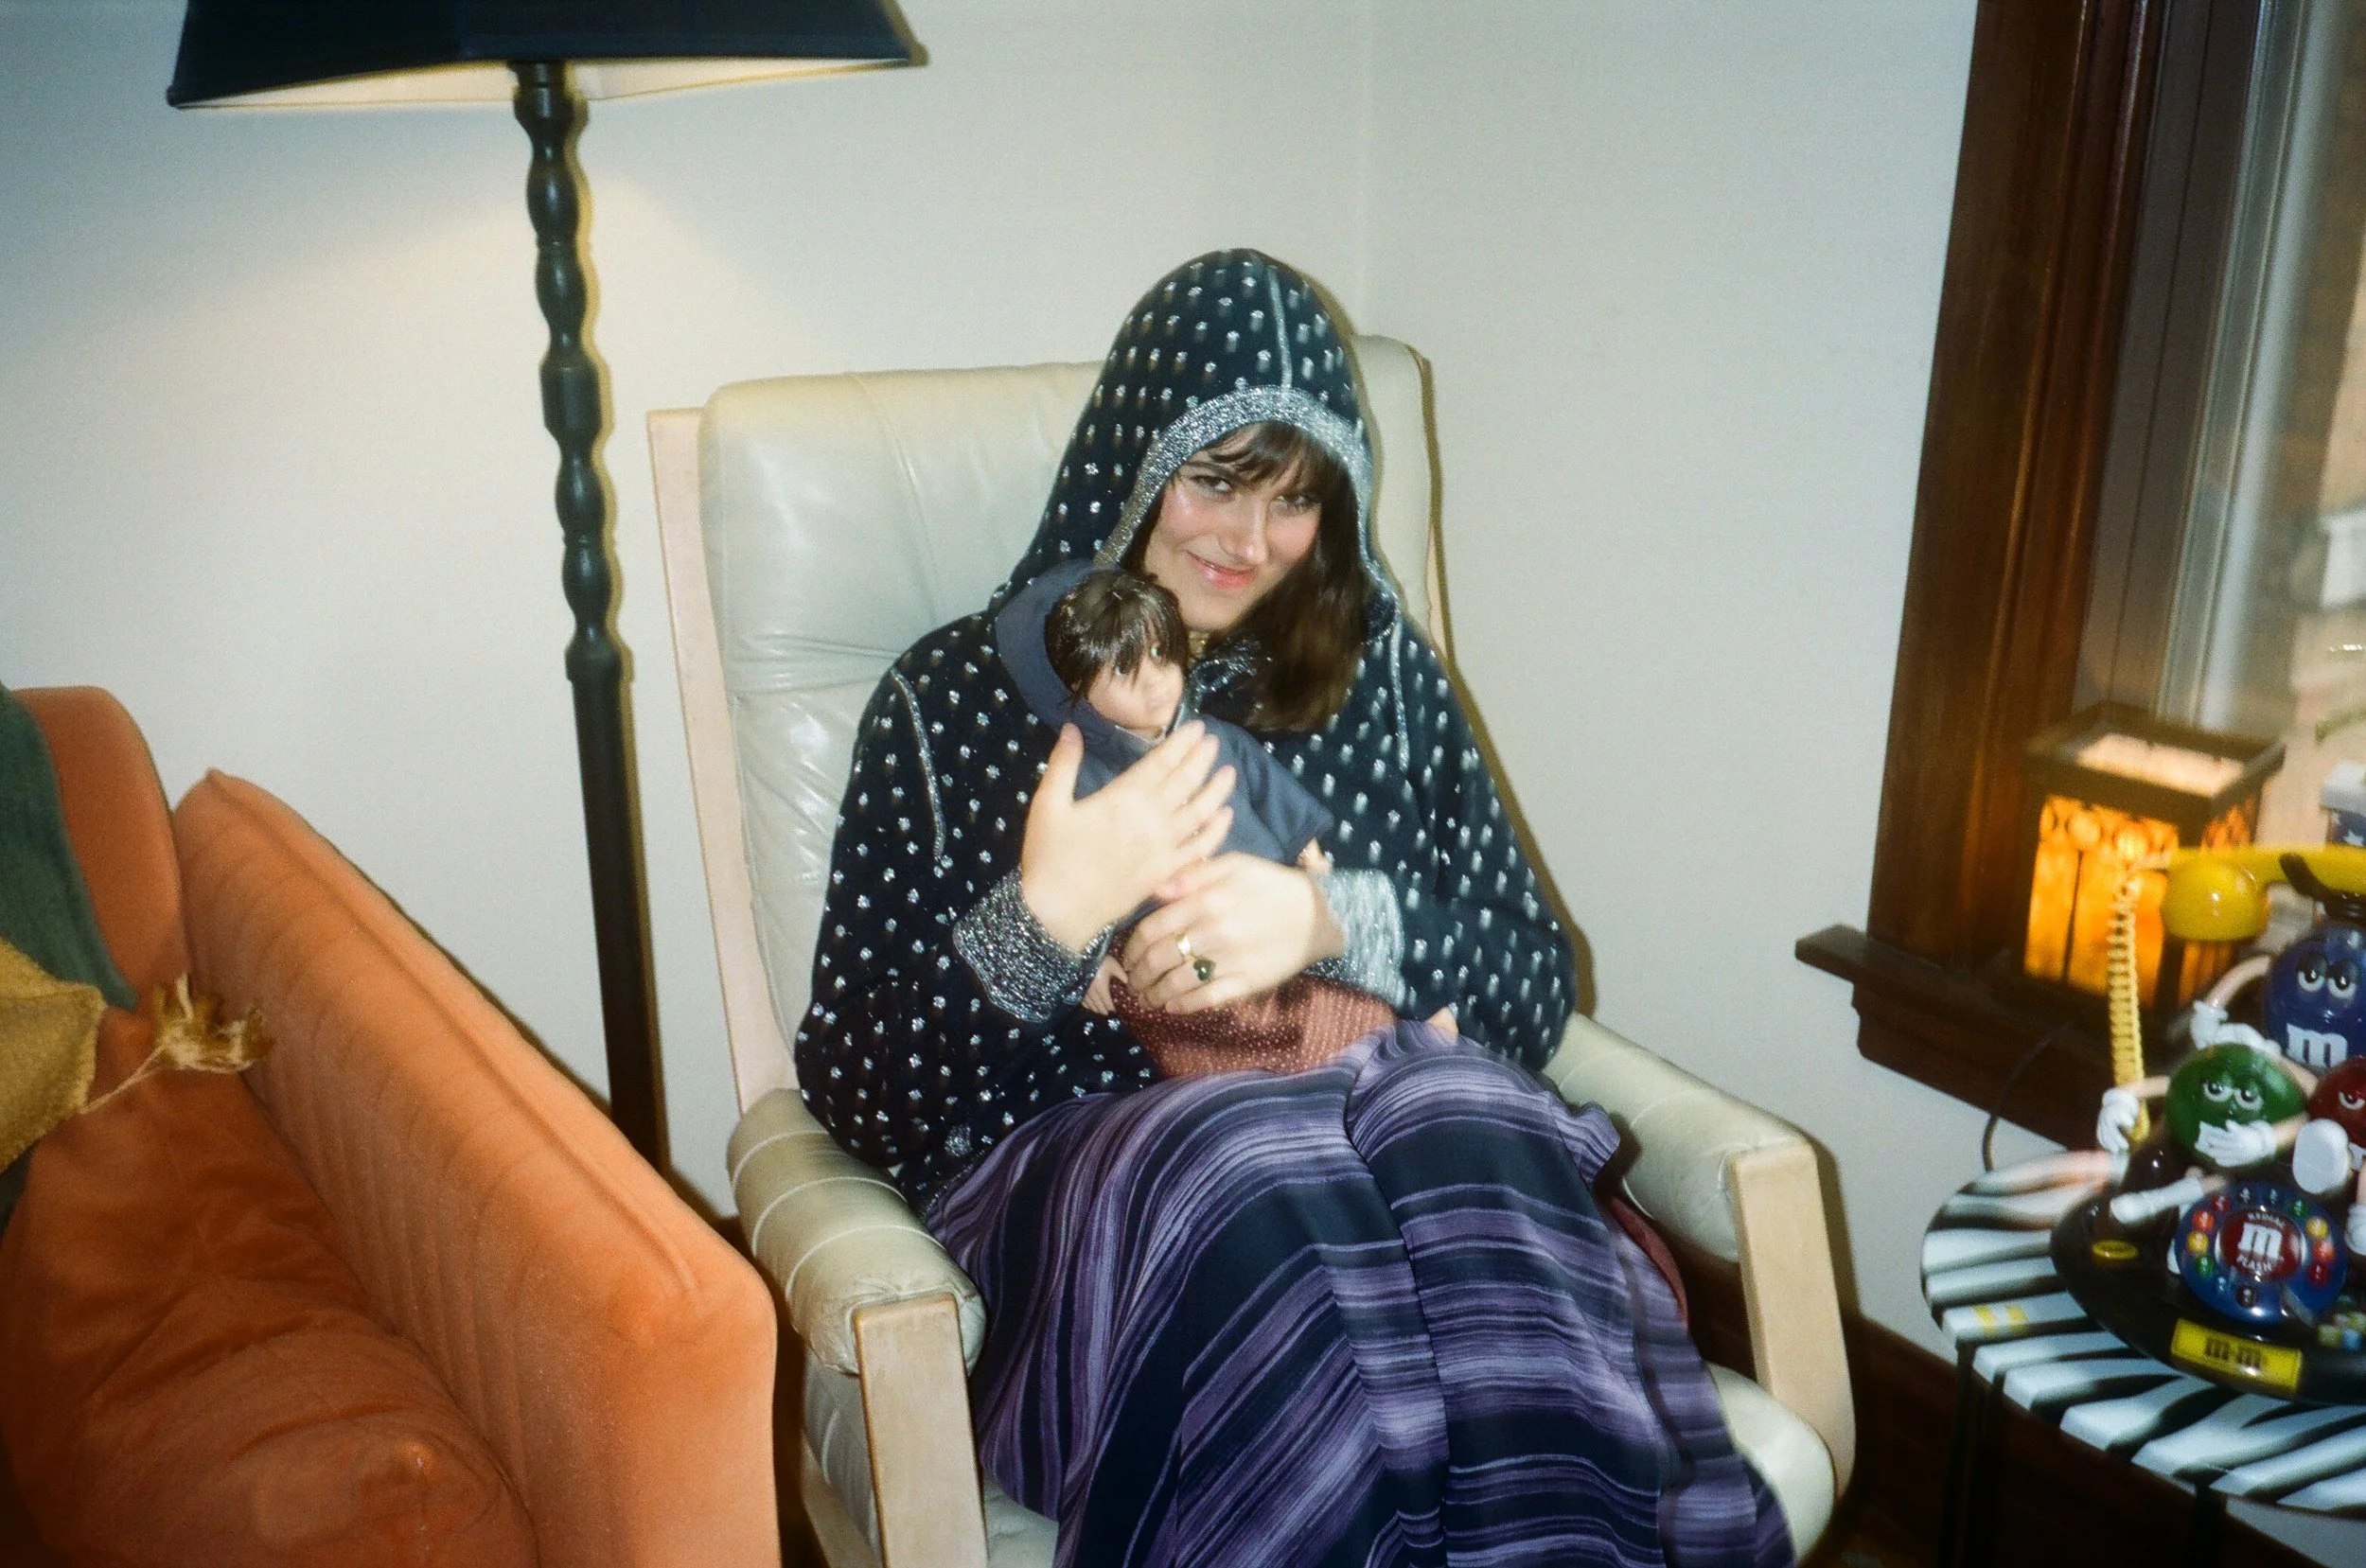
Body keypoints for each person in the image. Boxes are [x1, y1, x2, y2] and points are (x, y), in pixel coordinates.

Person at [795, 250, 1792, 1567]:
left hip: (1370, 1131)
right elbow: (857, 1091)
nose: (1251, 540)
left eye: (1296, 497)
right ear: (1134, 464)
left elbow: (1535, 979)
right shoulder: (952, 701)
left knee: (1466, 1114)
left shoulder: (1382, 683)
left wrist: (1332, 924)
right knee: (1254, 1167)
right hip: (1096, 1208)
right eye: (1215, 479)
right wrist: (1046, 918)